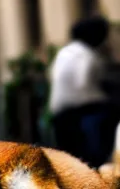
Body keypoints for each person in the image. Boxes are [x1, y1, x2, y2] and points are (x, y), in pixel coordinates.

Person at [49, 15, 118, 168]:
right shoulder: (88, 55)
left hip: (60, 113)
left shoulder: (64, 53)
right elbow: (83, 83)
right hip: (84, 113)